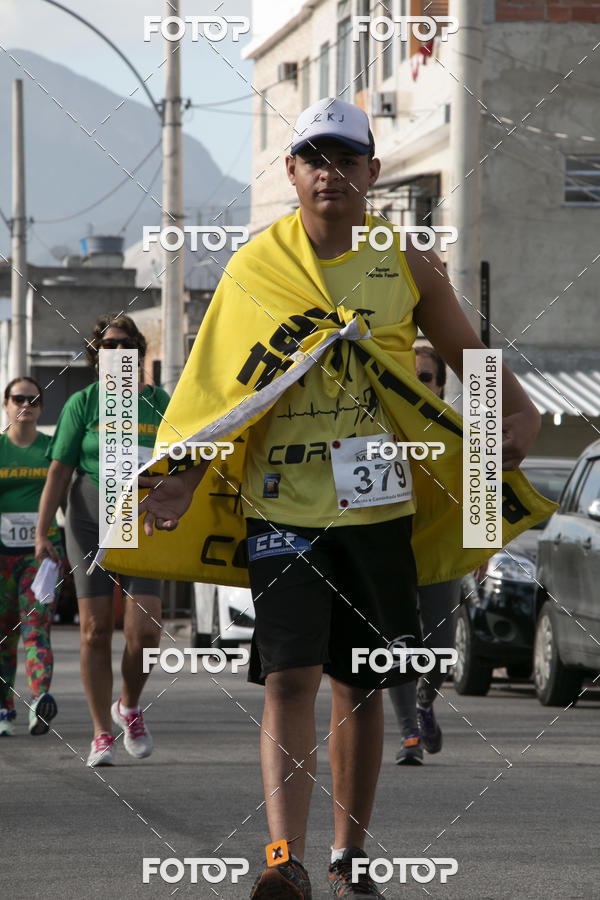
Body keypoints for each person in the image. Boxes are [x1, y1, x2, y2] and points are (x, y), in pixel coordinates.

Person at [135, 98, 545, 899]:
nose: (330, 172)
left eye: (346, 159)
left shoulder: (408, 262)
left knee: (358, 680)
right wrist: (180, 470)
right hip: (281, 504)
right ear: (290, 171)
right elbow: (218, 384)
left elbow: (471, 358)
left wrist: (516, 413)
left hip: (377, 505)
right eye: (314, 158)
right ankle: (283, 864)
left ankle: (350, 858)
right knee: (288, 676)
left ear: (371, 173)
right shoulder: (255, 267)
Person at [35, 314, 169, 767]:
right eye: (107, 346)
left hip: (143, 521)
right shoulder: (84, 402)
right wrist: (41, 531)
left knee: (145, 632)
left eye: (124, 345)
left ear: (138, 352)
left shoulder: (161, 403)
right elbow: (59, 471)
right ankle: (100, 733)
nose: (115, 352)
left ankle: (129, 705)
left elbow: (184, 464)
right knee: (94, 630)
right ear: (97, 355)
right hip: (89, 519)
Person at [389, 345, 461, 765]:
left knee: (439, 650)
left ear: (440, 384)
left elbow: (481, 492)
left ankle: (425, 702)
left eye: (426, 377)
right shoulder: (379, 425)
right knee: (396, 643)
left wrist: (480, 549)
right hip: (390, 549)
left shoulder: (456, 429)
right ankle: (409, 735)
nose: (418, 384)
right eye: (409, 375)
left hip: (440, 552)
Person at [0, 377, 64, 737]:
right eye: (18, 398)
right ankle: (3, 708)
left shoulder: (53, 448)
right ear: (6, 404)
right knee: (4, 635)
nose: (26, 404)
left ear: (41, 407)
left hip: (42, 556)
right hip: (1, 556)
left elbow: (67, 495)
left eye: (34, 399)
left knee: (37, 629)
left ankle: (39, 701)